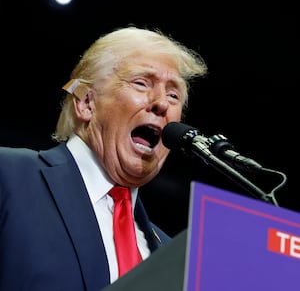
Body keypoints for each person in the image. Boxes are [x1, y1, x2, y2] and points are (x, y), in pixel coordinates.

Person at [0, 25, 208, 291]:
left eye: (173, 94)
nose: (162, 104)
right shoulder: (9, 177)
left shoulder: (172, 255)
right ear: (87, 102)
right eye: (141, 83)